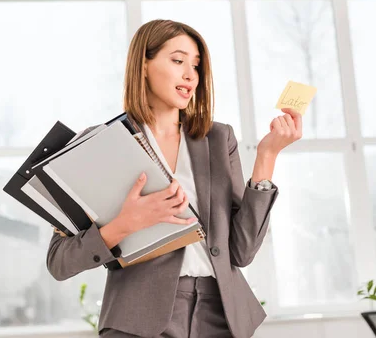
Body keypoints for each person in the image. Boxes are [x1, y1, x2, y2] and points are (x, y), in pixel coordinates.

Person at [47, 19, 302, 337]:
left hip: (220, 316)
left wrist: (268, 157)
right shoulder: (102, 143)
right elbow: (59, 262)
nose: (190, 75)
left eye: (195, 65)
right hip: (138, 319)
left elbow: (241, 252)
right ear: (143, 65)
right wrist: (125, 224)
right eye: (178, 60)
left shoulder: (219, 139)